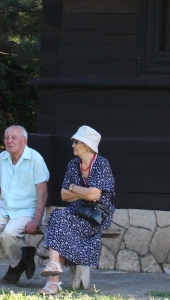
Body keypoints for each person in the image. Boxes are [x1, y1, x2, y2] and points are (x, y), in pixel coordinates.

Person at [39, 125, 115, 295]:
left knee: (60, 223)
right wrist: (83, 192)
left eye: (76, 142)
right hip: (76, 212)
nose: (72, 145)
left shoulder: (101, 164)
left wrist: (73, 187)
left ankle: (53, 281)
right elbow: (64, 196)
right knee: (58, 216)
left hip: (96, 216)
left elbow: (94, 195)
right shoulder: (73, 164)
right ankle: (54, 267)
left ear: (87, 146)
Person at [0, 125, 49, 284]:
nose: (9, 141)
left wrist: (36, 220)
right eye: (6, 137)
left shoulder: (35, 158)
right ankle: (19, 260)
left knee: (8, 234)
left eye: (14, 137)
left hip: (27, 211)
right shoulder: (1, 158)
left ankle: (15, 265)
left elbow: (43, 192)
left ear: (24, 141)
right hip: (5, 210)